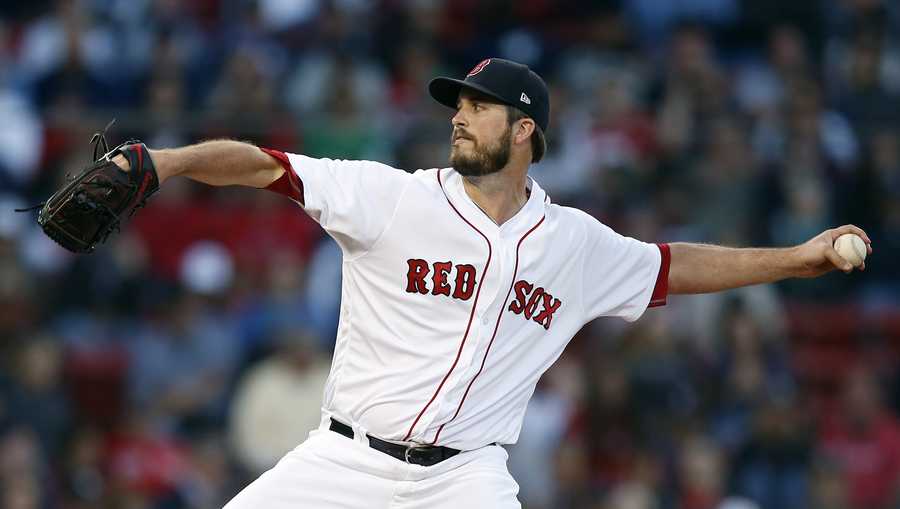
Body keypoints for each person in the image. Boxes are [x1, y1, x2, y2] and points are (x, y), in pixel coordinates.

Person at [111, 58, 872, 508]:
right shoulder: (396, 196)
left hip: (464, 480)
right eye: (458, 106)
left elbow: (672, 266)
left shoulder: (571, 241)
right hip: (342, 460)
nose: (460, 118)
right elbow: (267, 167)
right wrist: (171, 162)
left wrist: (798, 258)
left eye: (480, 108)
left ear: (525, 130)